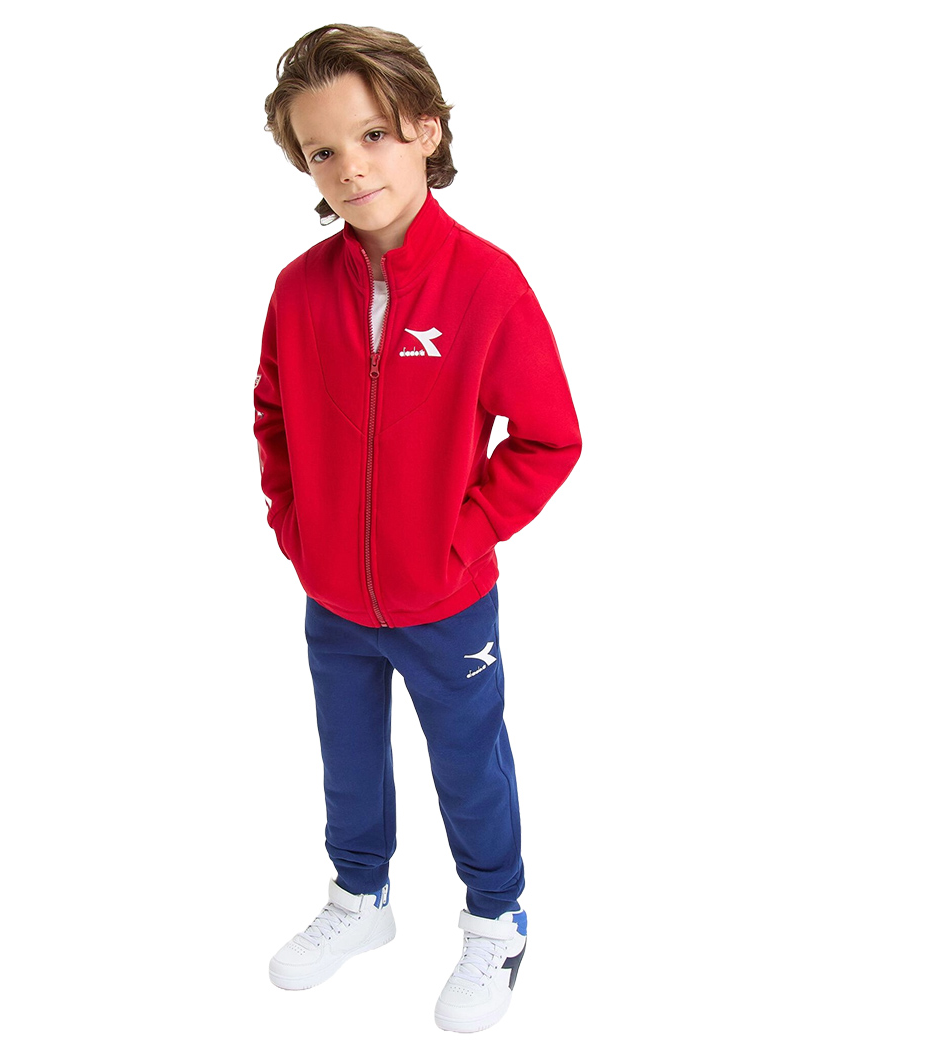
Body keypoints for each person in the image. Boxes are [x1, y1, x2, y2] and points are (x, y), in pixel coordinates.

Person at [255, 24, 581, 1033]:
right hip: (334, 597)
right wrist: (299, 531)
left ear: (427, 130)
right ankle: (361, 899)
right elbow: (271, 416)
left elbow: (549, 438)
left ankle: (496, 919)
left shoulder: (487, 283)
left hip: (446, 601)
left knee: (469, 764)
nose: (351, 167)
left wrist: (457, 540)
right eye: (322, 149)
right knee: (347, 757)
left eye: (373, 135)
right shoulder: (299, 290)